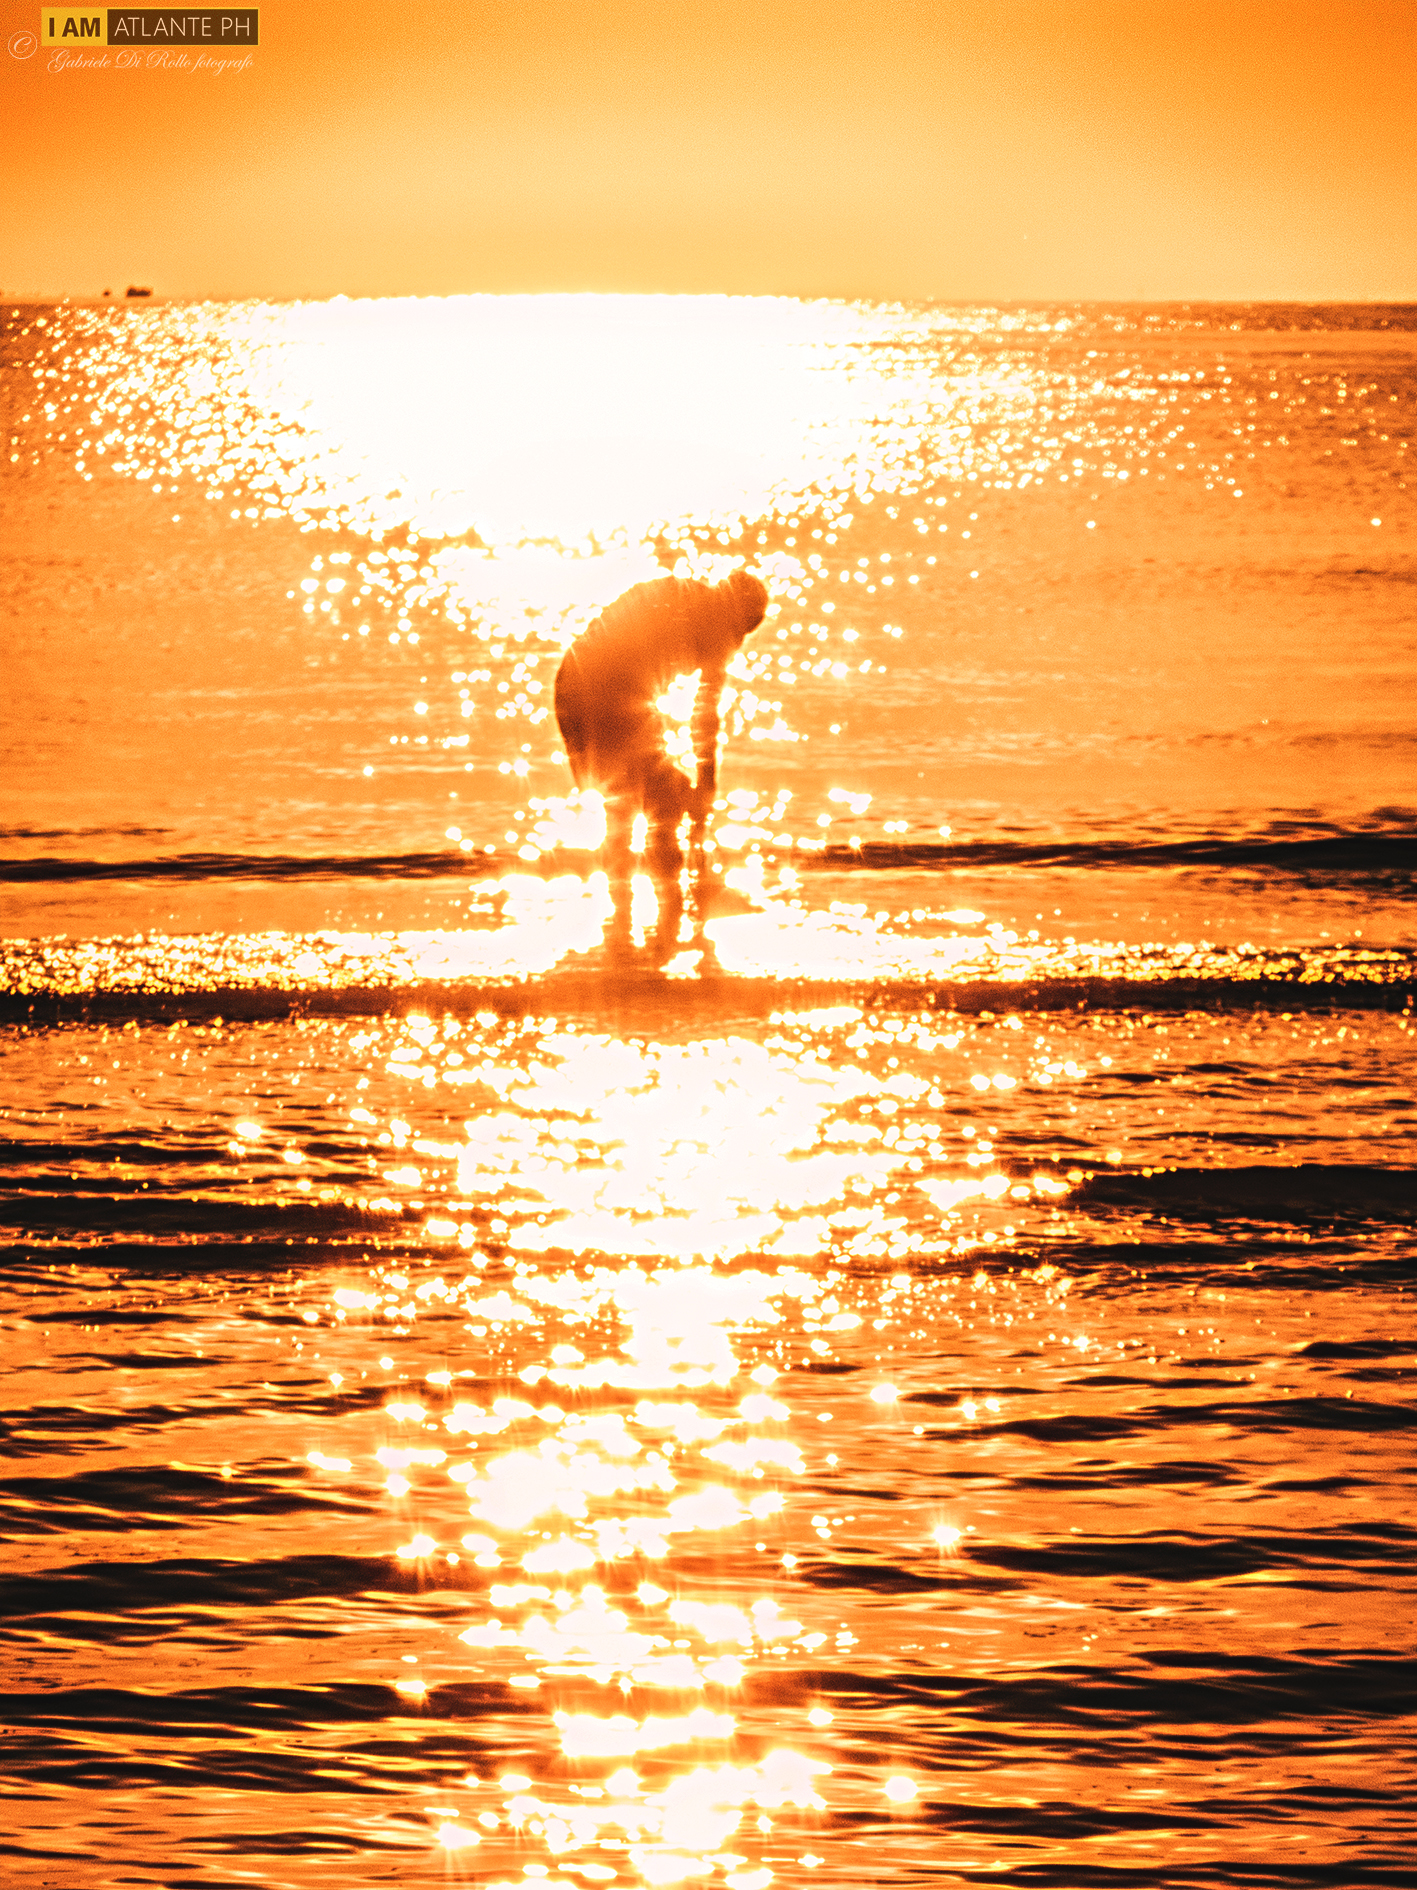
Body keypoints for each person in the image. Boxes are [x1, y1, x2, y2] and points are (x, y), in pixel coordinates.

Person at [554, 567, 769, 956]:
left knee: (621, 803)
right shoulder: (719, 617)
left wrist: (700, 784)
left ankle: (622, 924)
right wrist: (705, 783)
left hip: (572, 684)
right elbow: (706, 713)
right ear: (738, 615)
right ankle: (667, 923)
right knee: (664, 801)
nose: (734, 644)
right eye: (740, 635)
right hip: (601, 688)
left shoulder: (695, 599)